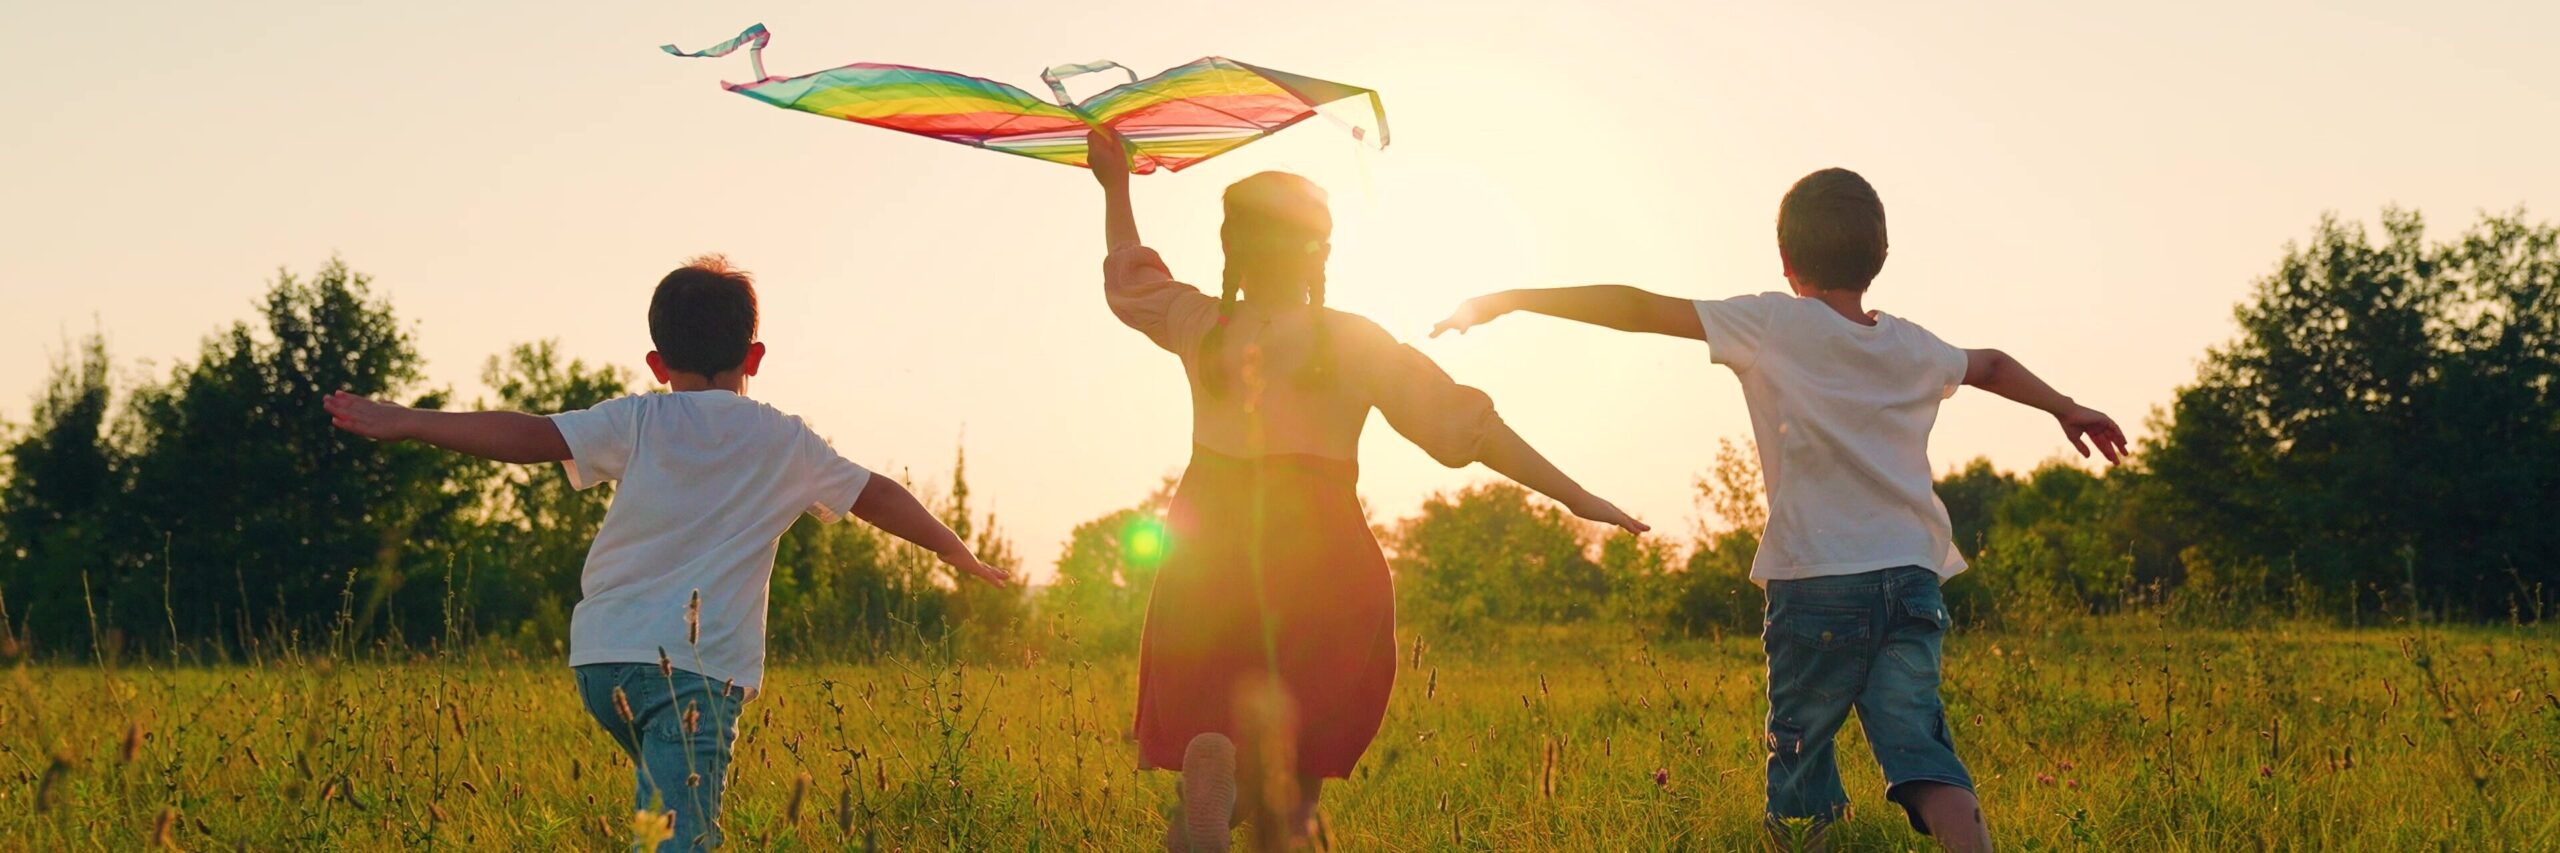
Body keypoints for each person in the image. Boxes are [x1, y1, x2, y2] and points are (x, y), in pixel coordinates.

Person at [1432, 168, 2127, 852]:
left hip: (1817, 581)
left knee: (1800, 754)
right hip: (1913, 578)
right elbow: (1995, 364)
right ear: (1878, 257)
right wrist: (2067, 408)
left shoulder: (1770, 322)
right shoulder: (1914, 345)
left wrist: (1512, 297)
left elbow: (1639, 307)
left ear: (1787, 260)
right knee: (1921, 749)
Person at [323, 255, 1011, 850]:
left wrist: (411, 420)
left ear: (657, 363)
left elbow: (530, 435)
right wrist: (957, 552)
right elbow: (877, 494)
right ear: (755, 357)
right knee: (681, 837)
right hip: (693, 672)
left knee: (665, 819)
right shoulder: (783, 440)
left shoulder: (638, 418)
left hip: (603, 662)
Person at [1087, 131, 1648, 851]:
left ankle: (1211, 774)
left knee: (1209, 717)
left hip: (1211, 544)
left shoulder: (1202, 324)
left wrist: (1116, 187)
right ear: (1319, 250)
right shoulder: (1354, 341)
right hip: (1321, 551)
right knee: (1296, 784)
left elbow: (1130, 279)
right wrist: (1576, 495)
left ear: (1233, 251)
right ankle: (1258, 802)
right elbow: (1469, 428)